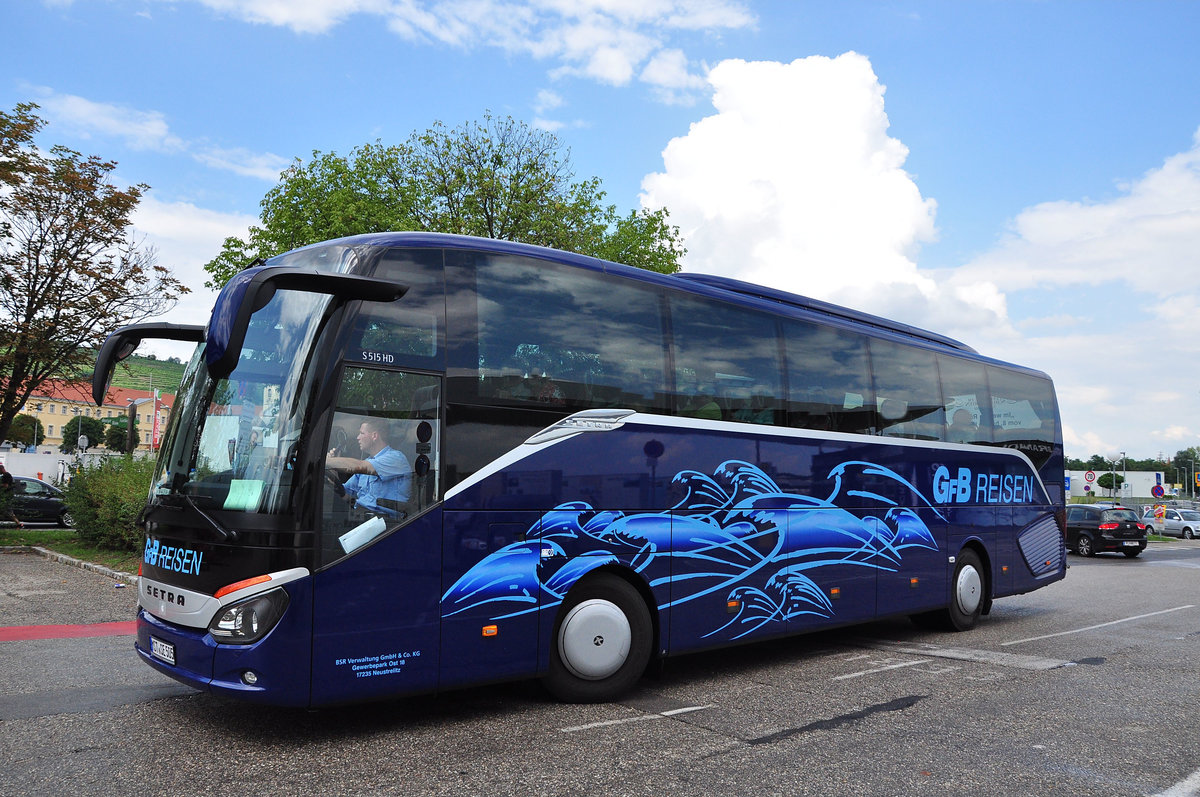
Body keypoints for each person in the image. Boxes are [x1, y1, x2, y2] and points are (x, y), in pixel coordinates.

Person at [326, 418, 411, 518]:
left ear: (374, 436)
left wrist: (327, 461)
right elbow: (345, 495)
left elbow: (359, 466)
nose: (358, 437)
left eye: (362, 433)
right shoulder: (367, 463)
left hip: (387, 523)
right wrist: (333, 470)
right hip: (361, 518)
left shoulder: (396, 458)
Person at [0, 464, 22, 528]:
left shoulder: (5, 475)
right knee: (7, 510)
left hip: (7, 495)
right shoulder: (7, 475)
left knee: (9, 510)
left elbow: (5, 486)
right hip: (8, 495)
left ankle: (18, 524)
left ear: (1, 469)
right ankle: (18, 523)